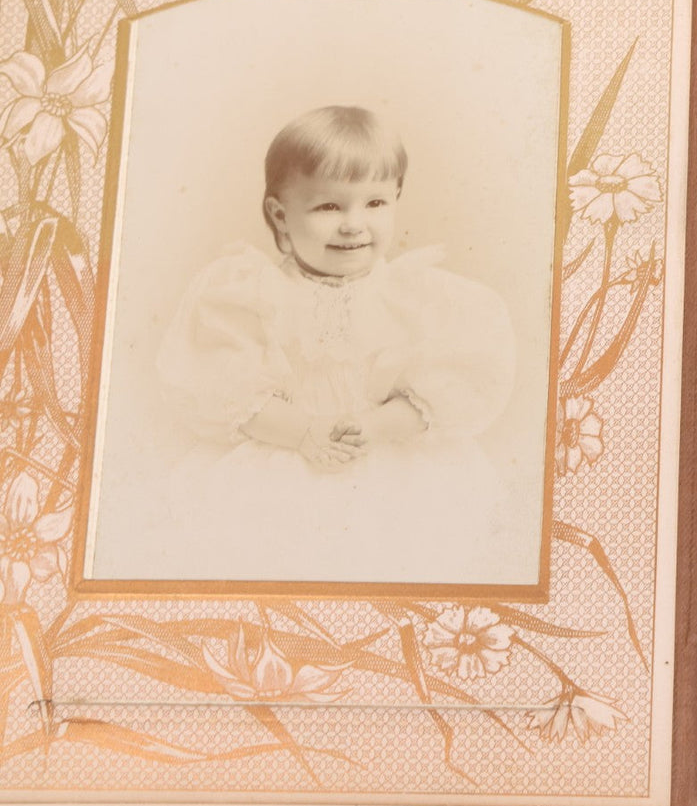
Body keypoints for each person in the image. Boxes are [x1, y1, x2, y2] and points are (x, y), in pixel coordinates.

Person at [154, 106, 518, 581]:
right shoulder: (248, 294)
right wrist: (303, 431)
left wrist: (377, 426)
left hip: (395, 466)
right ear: (279, 215)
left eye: (375, 203)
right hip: (278, 461)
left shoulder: (423, 298)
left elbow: (454, 390)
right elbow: (222, 386)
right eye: (329, 206)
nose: (354, 224)